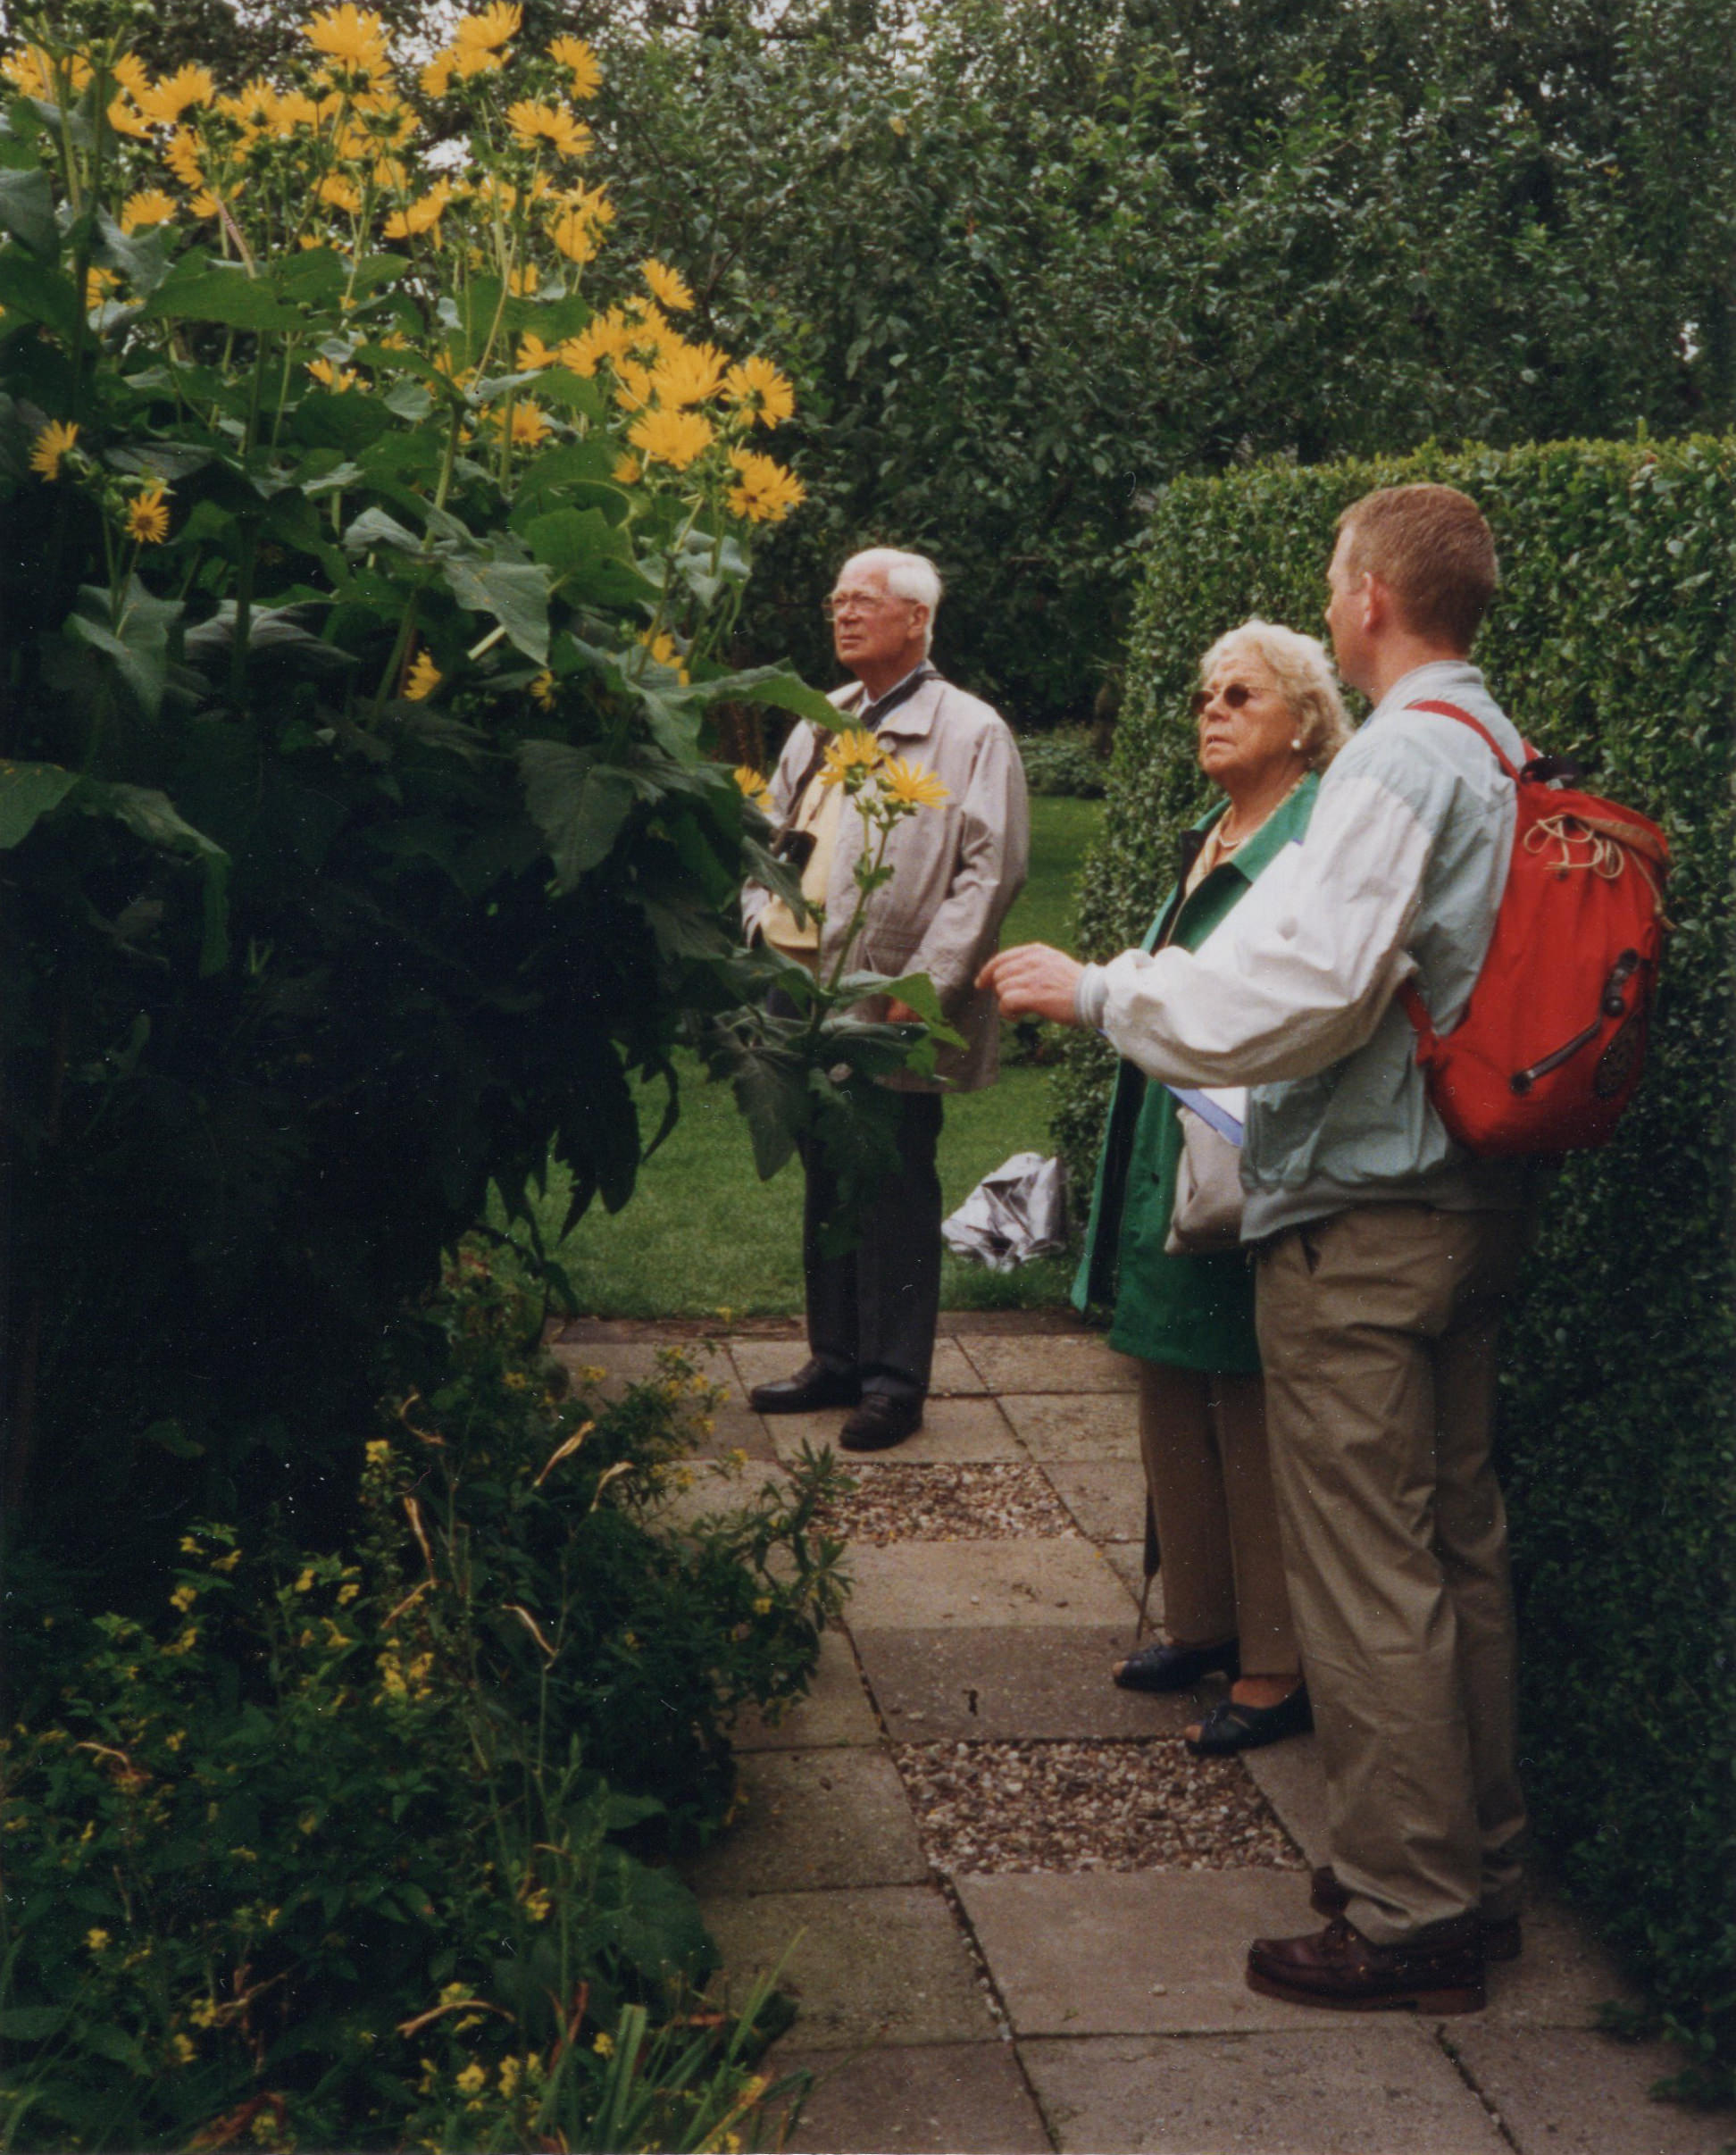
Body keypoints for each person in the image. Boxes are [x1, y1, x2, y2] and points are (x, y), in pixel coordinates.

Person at [980, 484, 1530, 2015]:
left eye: (1330, 577)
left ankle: (1408, 1911)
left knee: (1365, 1573)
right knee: (1453, 1549)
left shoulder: (1403, 758)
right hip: (1469, 1198)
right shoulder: (1495, 743)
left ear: (1361, 594)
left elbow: (1301, 990)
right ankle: (1471, 1869)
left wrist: (1101, 992)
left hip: (1363, 1216)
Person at [1078, 621, 1351, 1757]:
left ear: (1303, 720)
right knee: (1166, 1383)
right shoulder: (1215, 829)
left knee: (1241, 1396)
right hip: (1170, 1139)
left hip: (1241, 1149)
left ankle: (1273, 1663)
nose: (1212, 709)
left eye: (1241, 694)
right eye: (1204, 693)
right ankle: (1198, 1620)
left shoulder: (1308, 841)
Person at [742, 547, 1029, 1452]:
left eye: (863, 600)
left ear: (917, 619)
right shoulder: (823, 720)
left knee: (894, 1177)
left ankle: (895, 1383)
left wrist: (926, 986)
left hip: (891, 997)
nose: (842, 612)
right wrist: (757, 924)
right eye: (836, 599)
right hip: (799, 982)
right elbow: (769, 836)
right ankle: (836, 1357)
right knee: (827, 1166)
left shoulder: (972, 730)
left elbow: (992, 873)